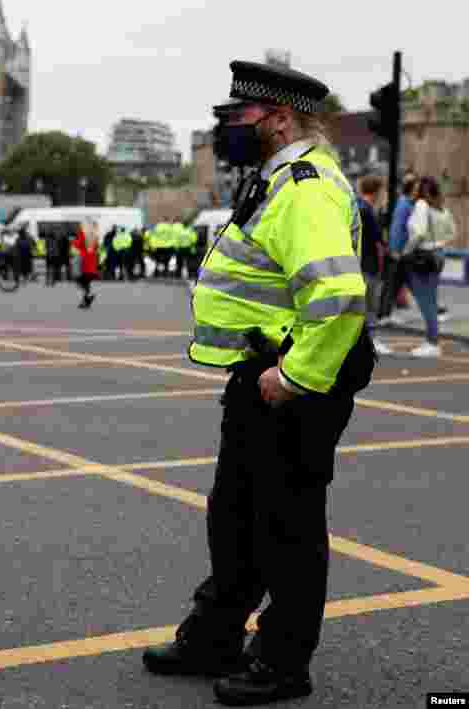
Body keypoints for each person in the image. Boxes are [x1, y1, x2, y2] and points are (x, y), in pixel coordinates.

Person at [145, 60, 374, 706]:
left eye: (239, 115)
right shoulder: (275, 180)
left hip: (294, 377)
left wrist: (294, 376)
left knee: (288, 523)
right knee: (236, 514)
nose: (228, 127)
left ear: (277, 119)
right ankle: (216, 634)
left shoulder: (304, 187)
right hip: (264, 372)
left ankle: (282, 660)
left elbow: (336, 293)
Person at [402, 176, 456, 358]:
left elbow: (419, 232)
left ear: (422, 190)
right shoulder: (442, 209)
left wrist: (406, 251)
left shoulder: (421, 206)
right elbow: (452, 232)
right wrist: (439, 244)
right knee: (431, 299)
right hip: (438, 256)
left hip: (421, 257)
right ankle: (432, 341)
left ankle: (432, 343)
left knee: (426, 302)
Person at [356, 175, 391, 354]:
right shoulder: (368, 211)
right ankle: (372, 340)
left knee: (362, 306)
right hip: (369, 266)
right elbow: (379, 244)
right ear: (377, 191)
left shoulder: (356, 207)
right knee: (370, 306)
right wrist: (381, 267)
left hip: (358, 264)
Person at [379, 173, 418, 325]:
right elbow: (397, 229)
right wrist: (395, 250)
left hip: (402, 252)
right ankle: (383, 314)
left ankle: (386, 314)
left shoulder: (407, 203)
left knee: (396, 283)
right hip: (399, 252)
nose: (418, 191)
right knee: (391, 284)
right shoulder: (404, 204)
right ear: (411, 189)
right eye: (416, 188)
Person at [73, 220, 100, 308]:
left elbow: (77, 244)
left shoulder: (83, 234)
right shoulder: (95, 236)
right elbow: (96, 247)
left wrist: (74, 241)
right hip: (92, 261)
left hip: (84, 261)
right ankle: (85, 301)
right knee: (86, 282)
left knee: (80, 281)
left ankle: (88, 296)